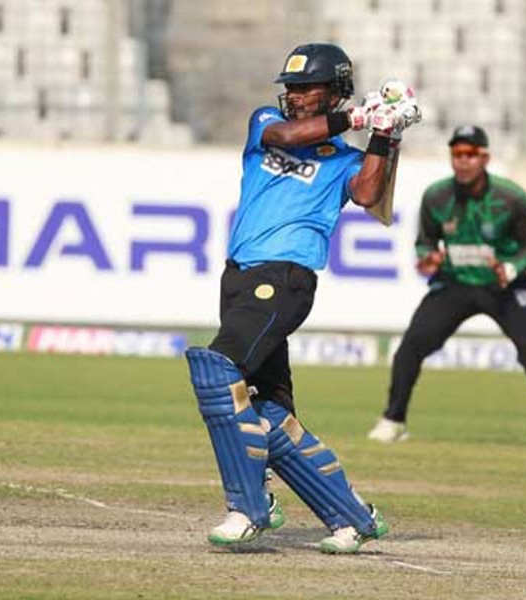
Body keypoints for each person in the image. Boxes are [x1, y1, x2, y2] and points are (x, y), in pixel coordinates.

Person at [184, 43, 420, 554]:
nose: (292, 96)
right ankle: (352, 517)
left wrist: (385, 133)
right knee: (268, 410)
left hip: (285, 277)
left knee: (217, 371)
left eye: (304, 88)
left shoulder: (345, 158)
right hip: (239, 277)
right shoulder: (266, 122)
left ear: (334, 91)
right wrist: (358, 117)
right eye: (289, 88)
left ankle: (249, 507)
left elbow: (368, 195)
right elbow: (287, 137)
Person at [367, 125, 526, 450]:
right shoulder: (437, 196)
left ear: (485, 158)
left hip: (503, 285)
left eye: (470, 154)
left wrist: (511, 268)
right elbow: (425, 242)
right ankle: (393, 420)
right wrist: (428, 258)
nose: (462, 161)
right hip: (455, 282)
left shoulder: (511, 197)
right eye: (457, 154)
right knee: (411, 345)